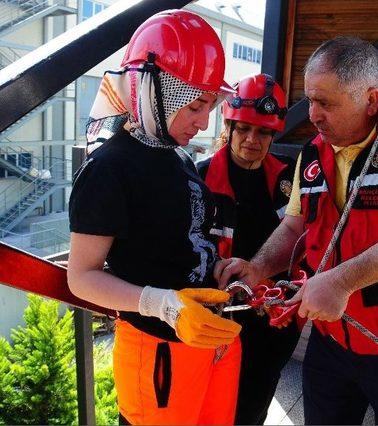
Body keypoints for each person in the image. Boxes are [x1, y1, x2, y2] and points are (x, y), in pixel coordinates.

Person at [215, 36, 378, 424]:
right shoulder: (313, 153)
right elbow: (294, 225)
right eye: (311, 100)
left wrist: (338, 282)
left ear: (371, 99)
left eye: (326, 103)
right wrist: (257, 269)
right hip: (335, 336)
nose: (313, 115)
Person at [66, 10, 242, 425]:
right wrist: (163, 305)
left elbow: (181, 240)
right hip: (157, 347)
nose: (204, 123)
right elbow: (81, 277)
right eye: (195, 105)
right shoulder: (109, 168)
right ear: (154, 90)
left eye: (210, 106)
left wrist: (218, 267)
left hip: (209, 336)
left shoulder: (177, 157)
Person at [197, 74, 301, 425]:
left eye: (262, 132)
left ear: (274, 135)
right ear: (230, 126)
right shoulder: (198, 181)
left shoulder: (289, 184)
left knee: (251, 410)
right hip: (214, 317)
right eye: (243, 129)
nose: (251, 140)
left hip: (269, 322)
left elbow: (306, 243)